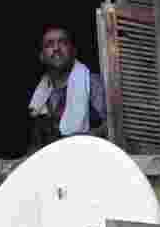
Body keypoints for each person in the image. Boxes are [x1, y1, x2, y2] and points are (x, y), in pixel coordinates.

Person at [27, 25, 108, 154]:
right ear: (42, 56)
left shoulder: (91, 83)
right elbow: (35, 144)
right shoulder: (40, 95)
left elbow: (111, 127)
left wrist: (76, 143)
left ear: (74, 51)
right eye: (49, 44)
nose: (56, 48)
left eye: (63, 43)